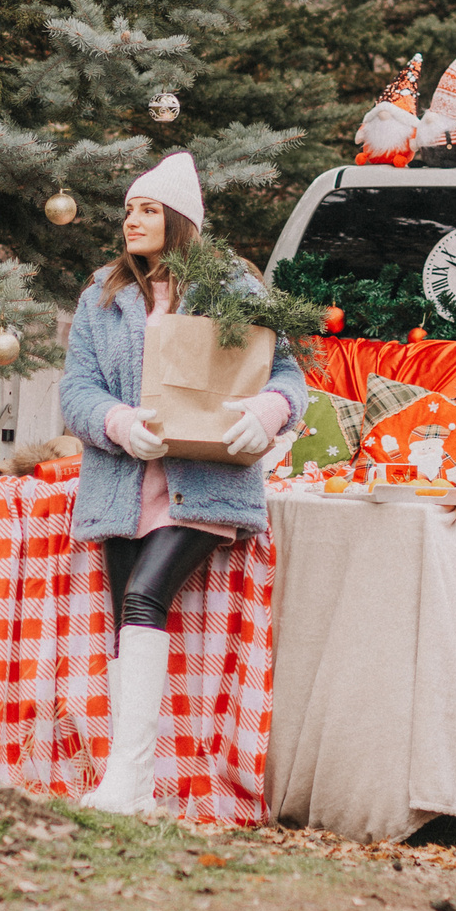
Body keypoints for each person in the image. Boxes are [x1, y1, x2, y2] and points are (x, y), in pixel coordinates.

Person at [58, 153, 308, 814]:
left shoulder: (234, 288)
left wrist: (268, 411)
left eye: (147, 209)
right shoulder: (102, 296)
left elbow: (288, 375)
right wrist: (115, 422)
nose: (131, 220)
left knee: (145, 596)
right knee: (127, 617)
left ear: (179, 220)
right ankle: (134, 786)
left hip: (202, 483)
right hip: (122, 484)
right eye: (128, 209)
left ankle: (127, 778)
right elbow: (76, 389)